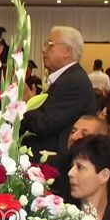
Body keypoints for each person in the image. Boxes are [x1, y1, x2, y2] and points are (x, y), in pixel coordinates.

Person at [21, 25, 97, 174]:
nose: (43, 50)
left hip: (58, 166)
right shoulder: (68, 78)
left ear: (67, 51)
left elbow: (44, 123)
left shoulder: (73, 82)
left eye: (49, 45)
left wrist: (26, 104)